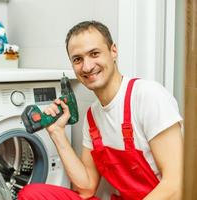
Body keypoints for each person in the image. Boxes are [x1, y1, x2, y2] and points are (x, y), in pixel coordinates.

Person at [18, 20, 183, 200]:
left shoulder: (147, 96)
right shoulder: (93, 116)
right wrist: (57, 133)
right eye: (78, 59)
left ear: (113, 51)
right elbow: (87, 188)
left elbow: (176, 184)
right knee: (32, 194)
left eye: (94, 53)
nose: (87, 67)